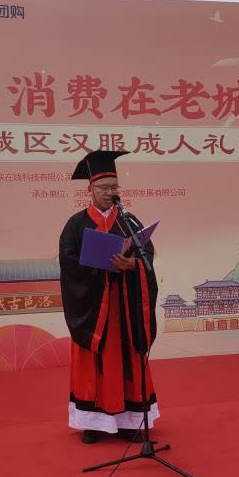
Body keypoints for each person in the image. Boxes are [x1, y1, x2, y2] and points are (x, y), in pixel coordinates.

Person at [59, 150, 159, 444]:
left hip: (125, 306)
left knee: (128, 360)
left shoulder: (129, 221)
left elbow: (147, 257)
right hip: (94, 309)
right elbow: (68, 264)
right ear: (89, 189)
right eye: (103, 187)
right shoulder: (76, 224)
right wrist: (97, 267)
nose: (109, 192)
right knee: (94, 362)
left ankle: (129, 420)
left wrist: (132, 265)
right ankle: (94, 422)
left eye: (114, 187)